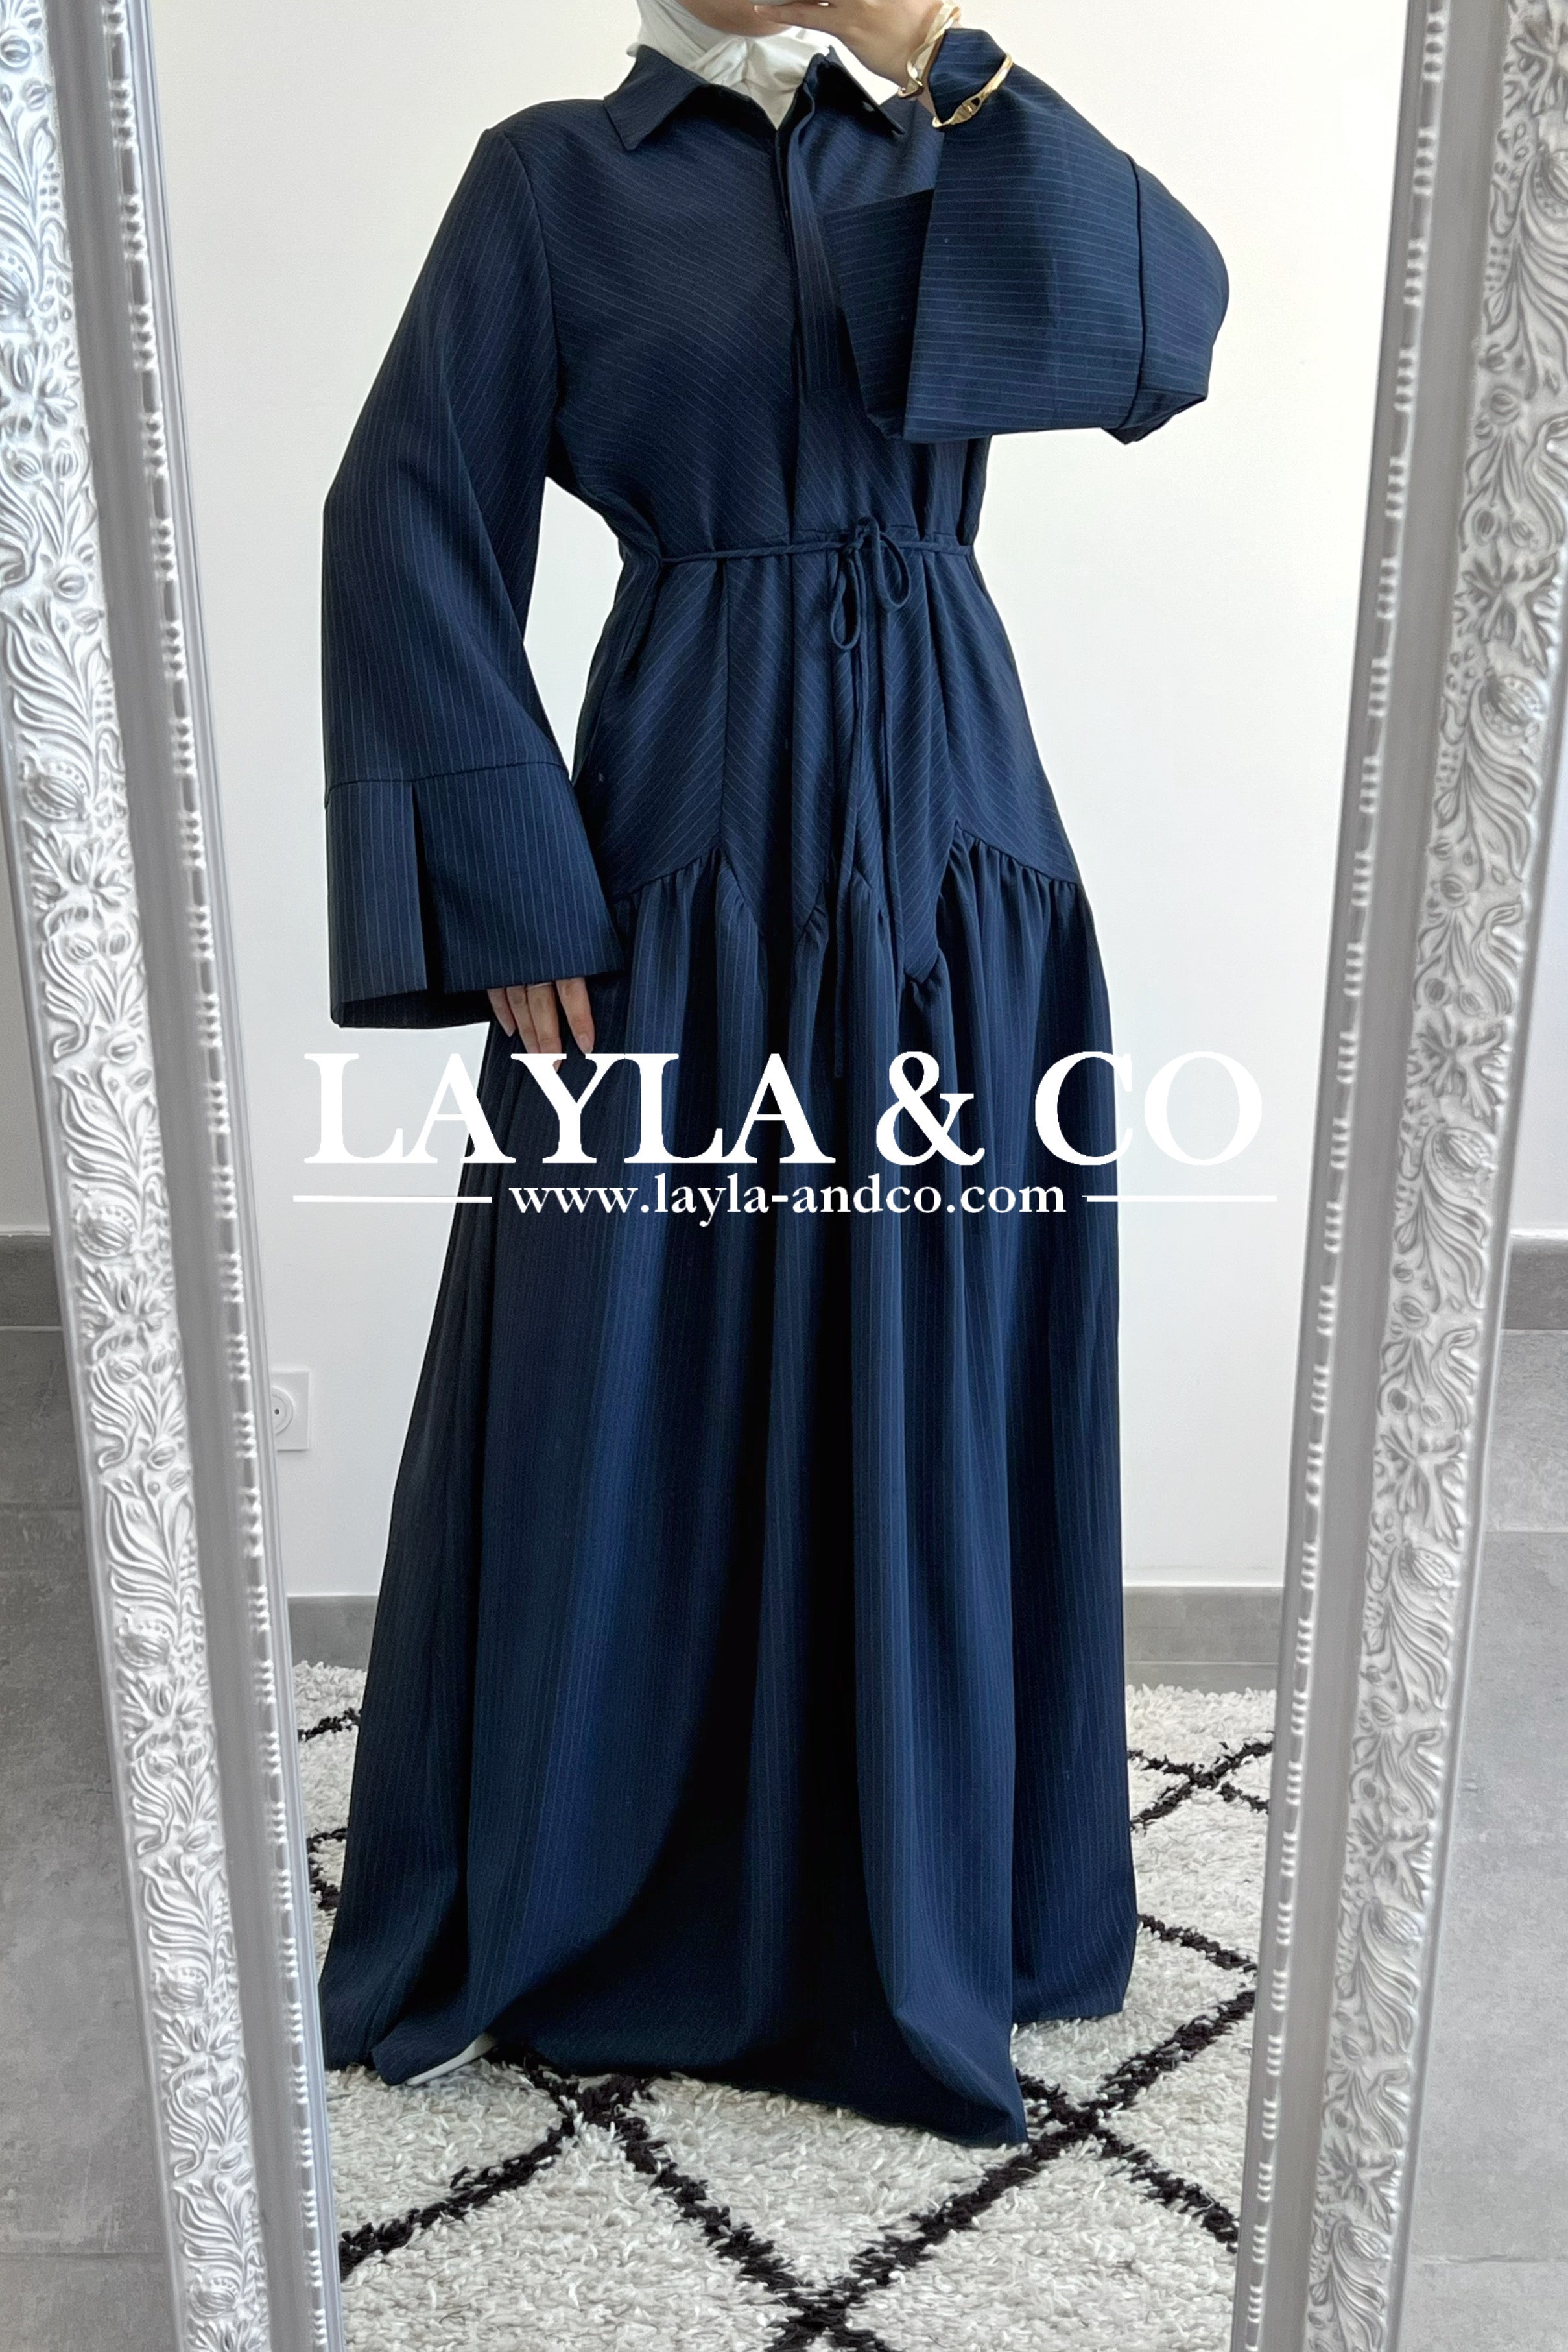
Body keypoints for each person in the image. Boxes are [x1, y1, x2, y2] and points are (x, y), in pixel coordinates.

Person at [315, 0, 1228, 2148]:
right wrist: (509, 887)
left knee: (941, 1322)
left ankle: (934, 1881)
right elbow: (404, 513)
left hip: (954, 844)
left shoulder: (947, 148)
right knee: (629, 1323)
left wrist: (947, 57)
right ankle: (613, 1875)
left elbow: (1164, 333)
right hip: (678, 848)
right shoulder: (555, 179)